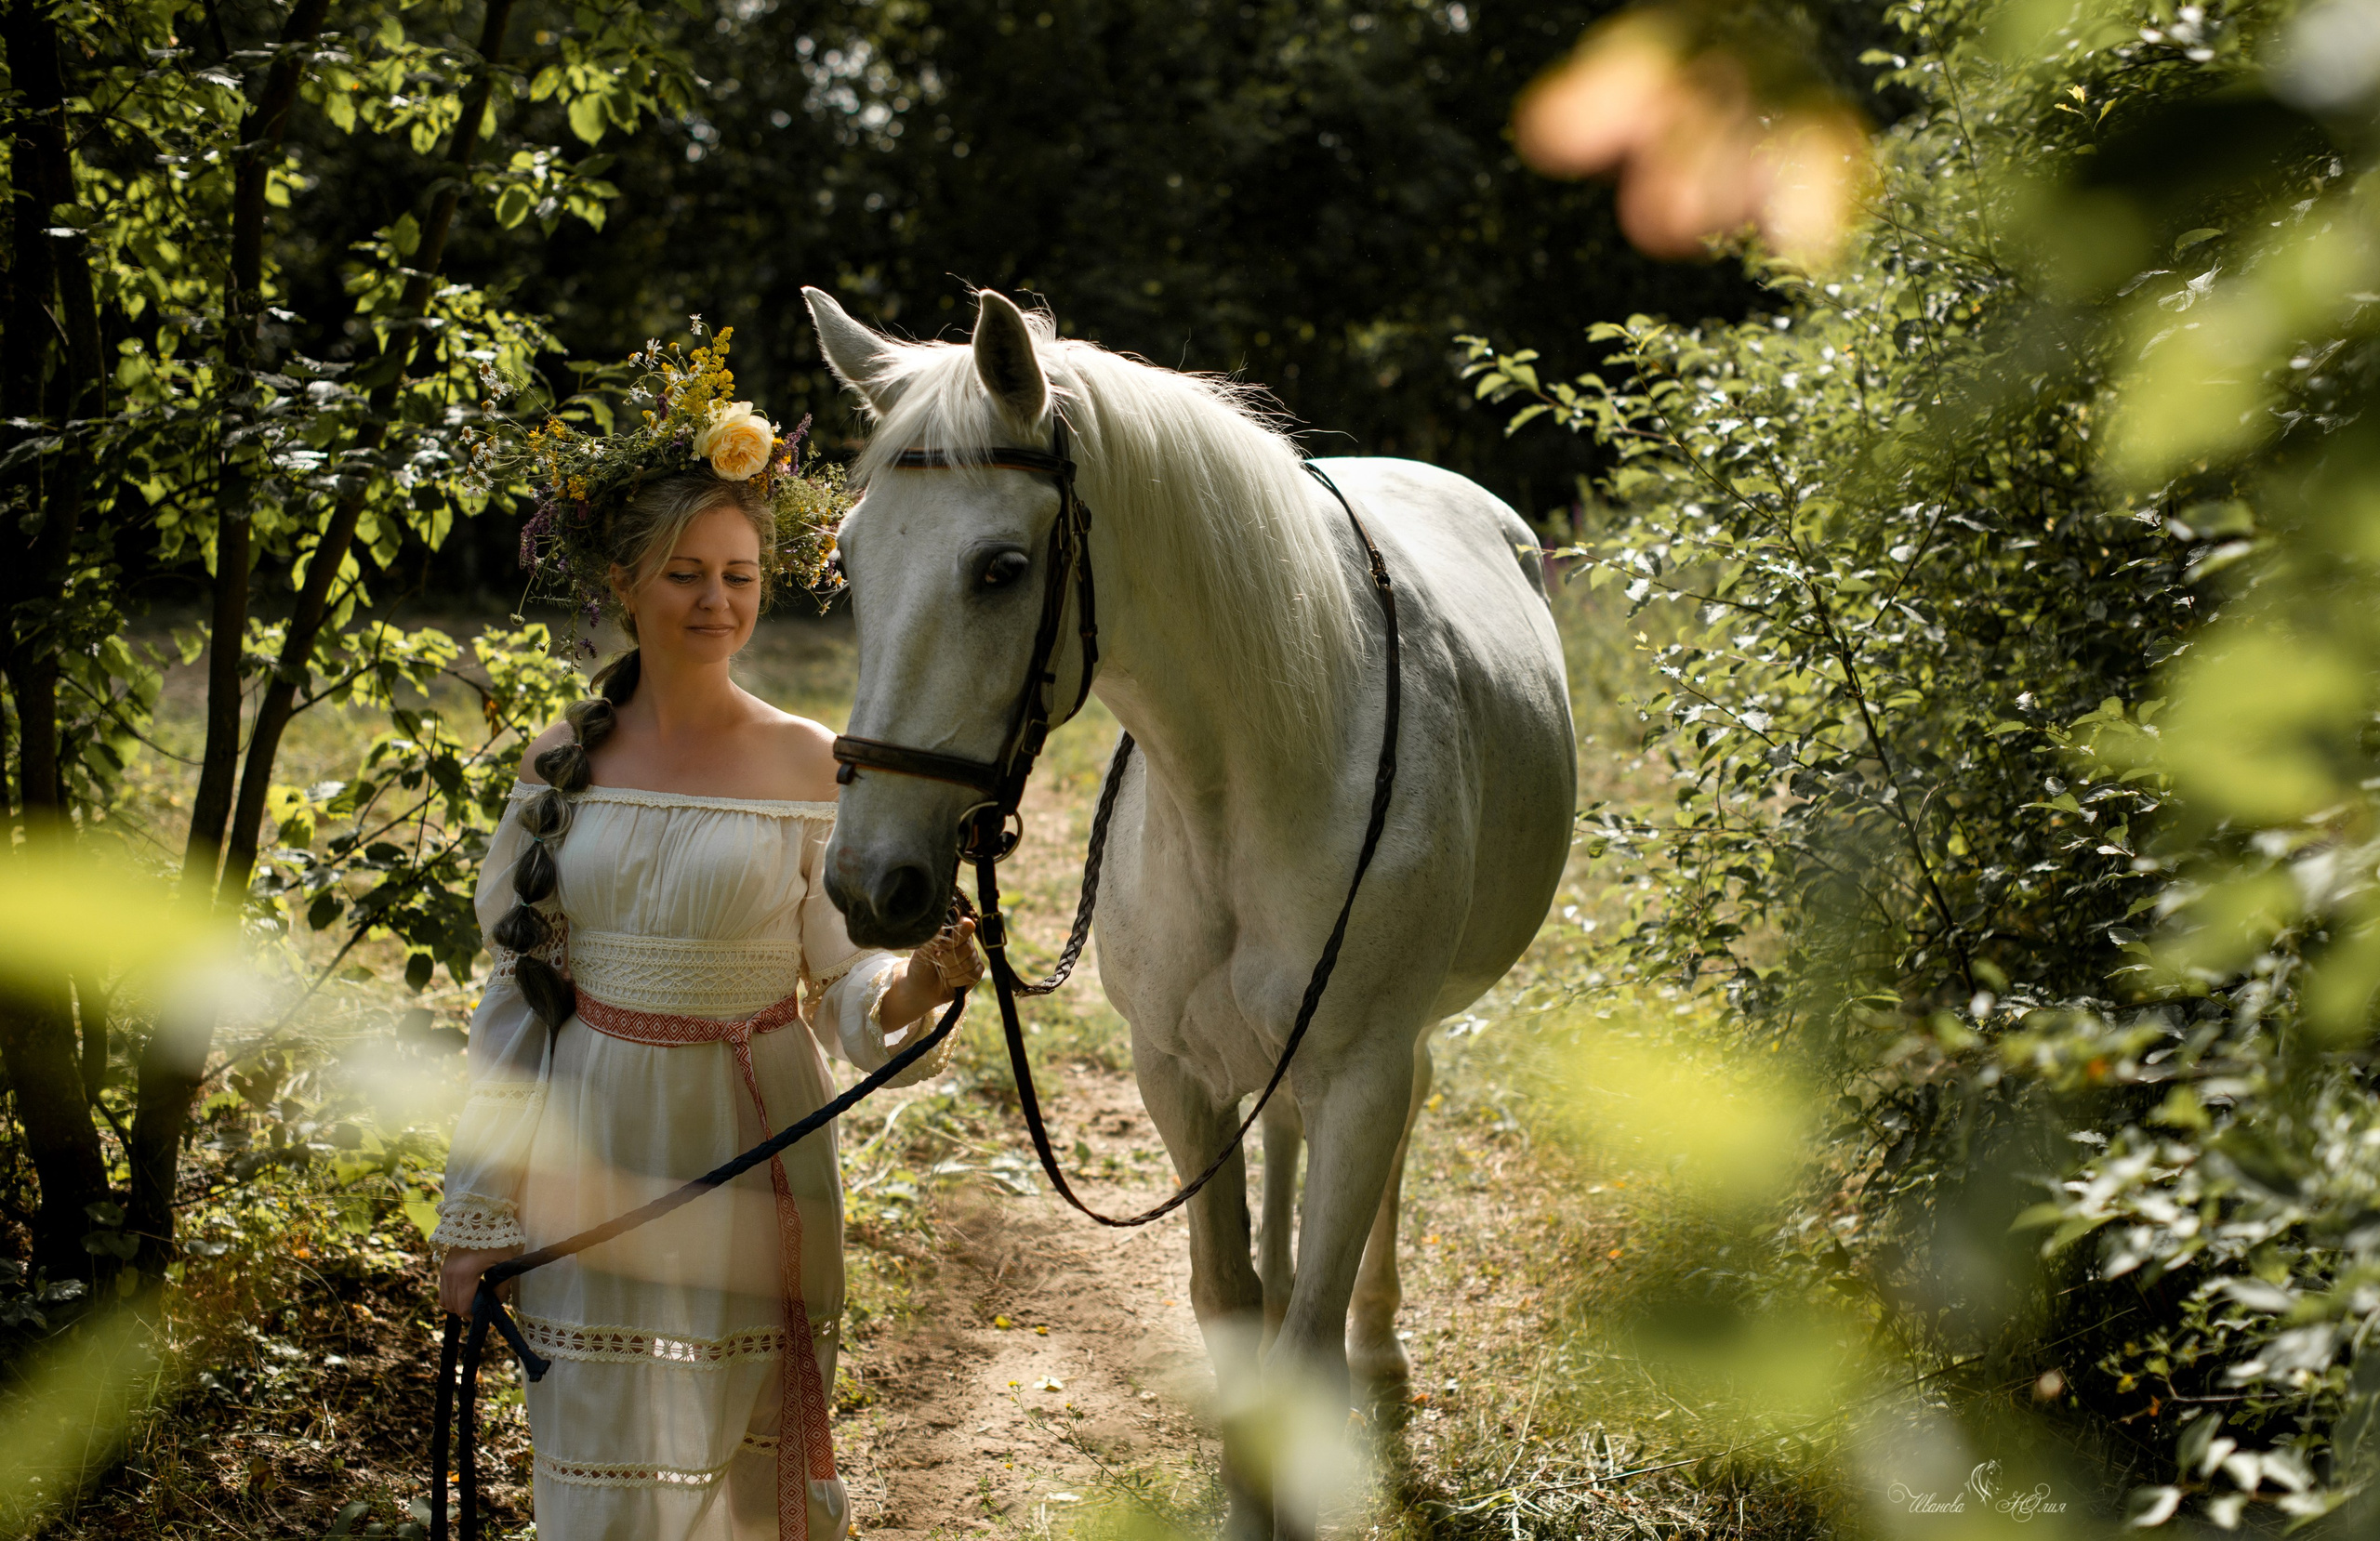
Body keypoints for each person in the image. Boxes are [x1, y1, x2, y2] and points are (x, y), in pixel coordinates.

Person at [433, 332, 980, 1541]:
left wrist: (918, 984)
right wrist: (475, 1220)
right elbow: (517, 1002)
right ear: (624, 581)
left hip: (758, 1134)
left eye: (738, 573)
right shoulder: (558, 760)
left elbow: (843, 987)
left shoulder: (806, 760)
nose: (716, 600)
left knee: (747, 1453)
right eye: (685, 572)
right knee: (596, 1452)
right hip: (597, 1138)